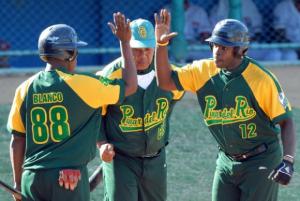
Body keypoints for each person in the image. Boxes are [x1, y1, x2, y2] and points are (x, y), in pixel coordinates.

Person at [154, 9, 296, 201]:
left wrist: (287, 161)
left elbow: (286, 120)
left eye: (224, 47)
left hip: (261, 161)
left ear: (239, 50)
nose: (216, 52)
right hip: (226, 160)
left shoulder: (260, 79)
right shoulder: (202, 71)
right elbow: (165, 81)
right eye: (214, 45)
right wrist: (161, 44)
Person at [7, 12, 137, 201]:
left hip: (32, 179)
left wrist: (18, 184)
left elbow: (17, 140)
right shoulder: (84, 85)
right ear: (70, 54)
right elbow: (130, 85)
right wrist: (125, 42)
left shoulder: (24, 88)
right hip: (68, 179)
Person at [96, 18, 184, 201]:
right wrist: (102, 143)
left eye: (147, 49)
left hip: (156, 160)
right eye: (136, 50)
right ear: (126, 46)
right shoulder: (111, 75)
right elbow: (96, 113)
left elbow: (172, 100)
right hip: (120, 160)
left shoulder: (170, 74)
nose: (142, 55)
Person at [210, 0, 298, 61]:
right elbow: (213, 36)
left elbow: (257, 31)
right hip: (225, 48)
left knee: (275, 54)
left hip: (250, 46)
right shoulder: (217, 10)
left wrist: (251, 39)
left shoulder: (248, 5)